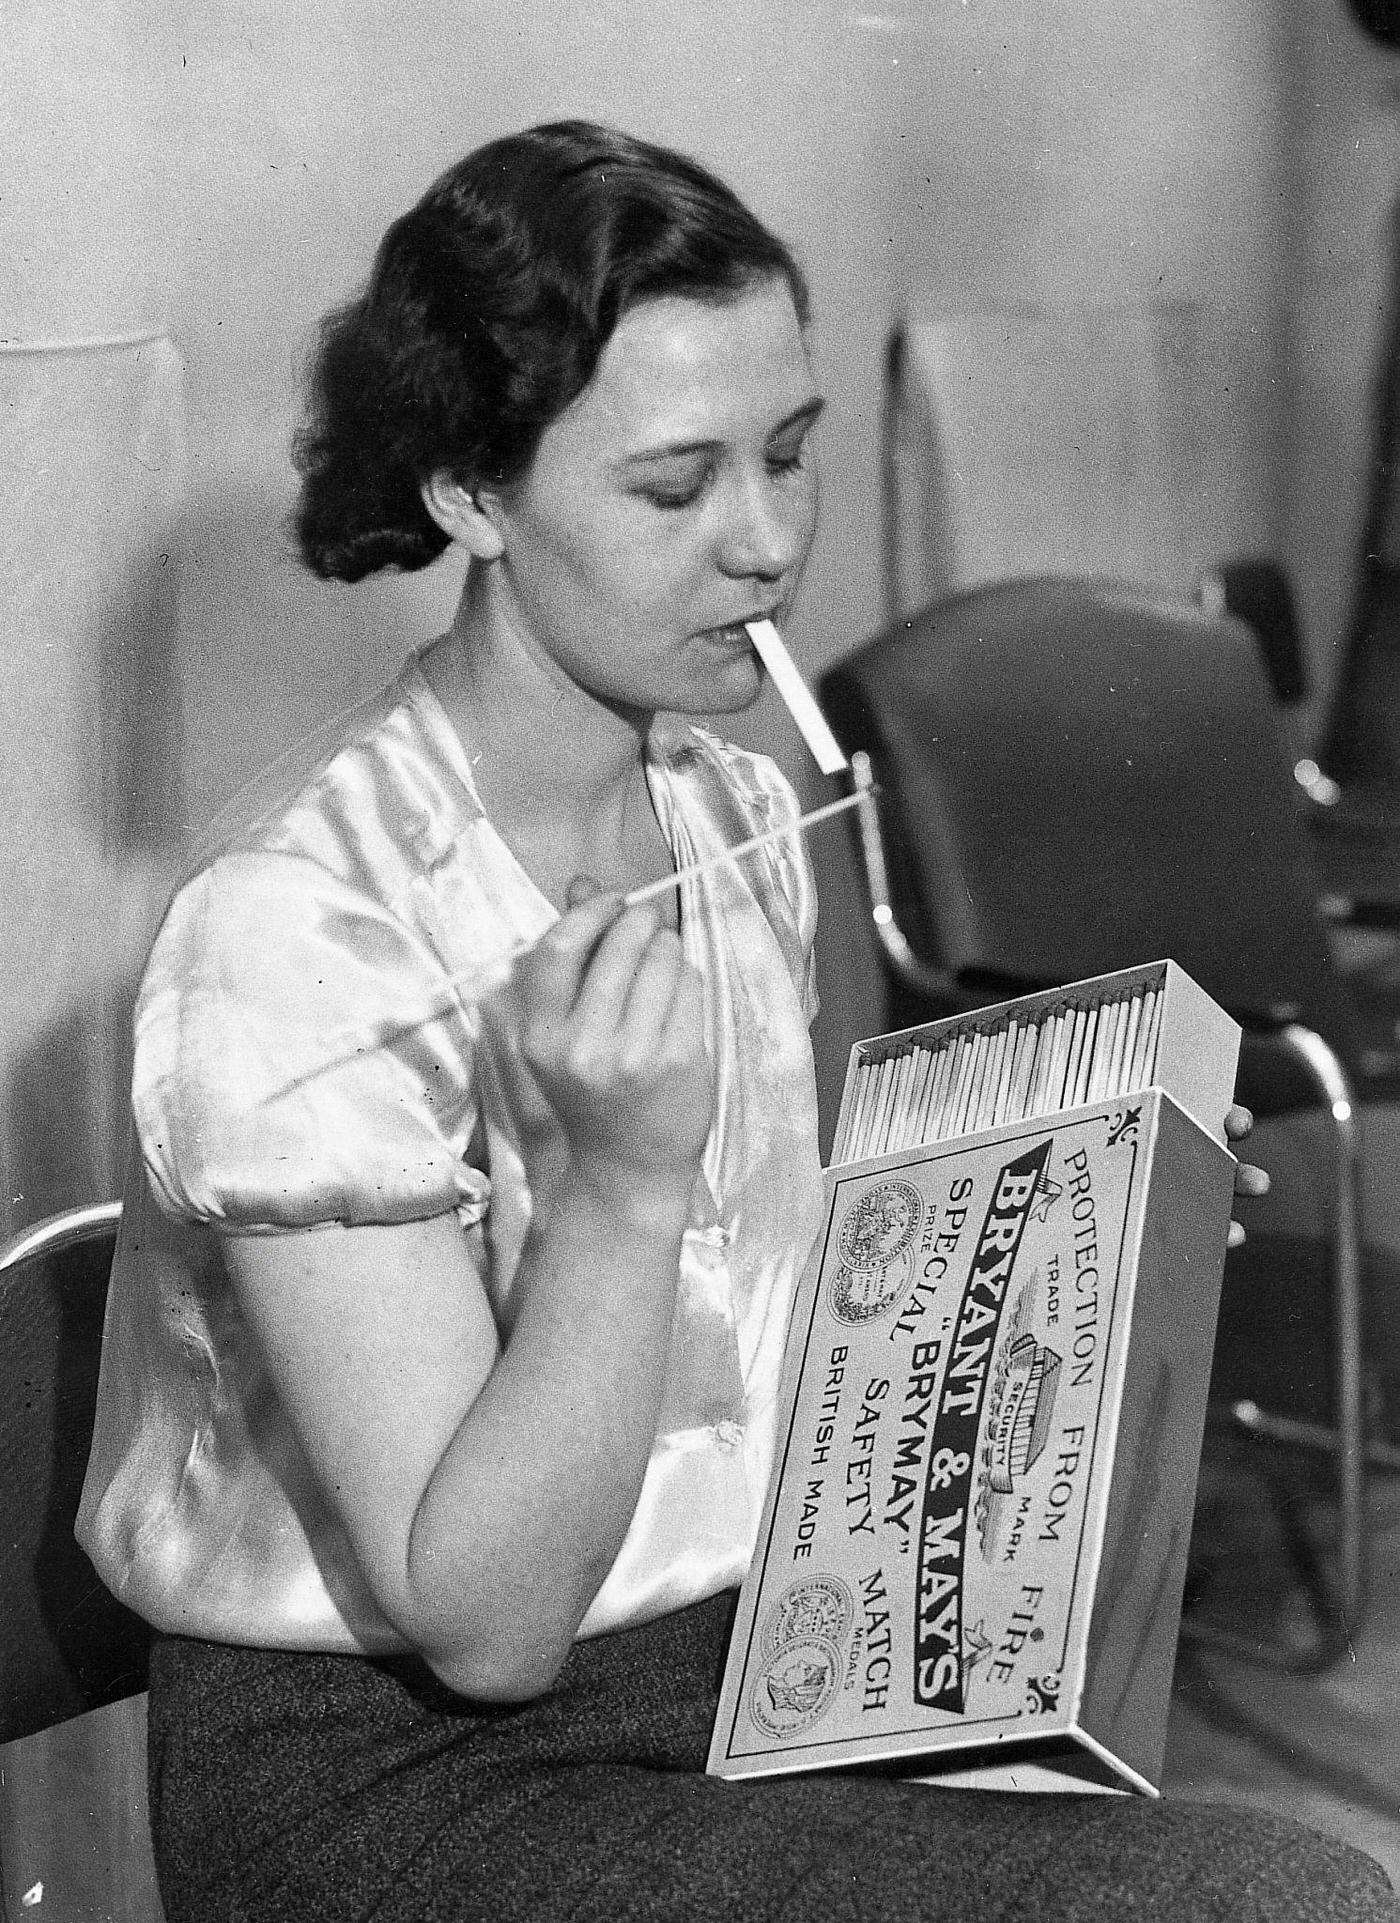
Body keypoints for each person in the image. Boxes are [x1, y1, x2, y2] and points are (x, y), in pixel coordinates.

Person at [76, 121, 1397, 1922]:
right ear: (470, 491)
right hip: (411, 1781)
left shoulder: (739, 814)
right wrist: (620, 1189)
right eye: (673, 486)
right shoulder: (295, 932)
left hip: (750, 1660)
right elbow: (485, 1626)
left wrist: (1085, 1226)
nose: (766, 545)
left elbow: (786, 1328)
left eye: (789, 458)